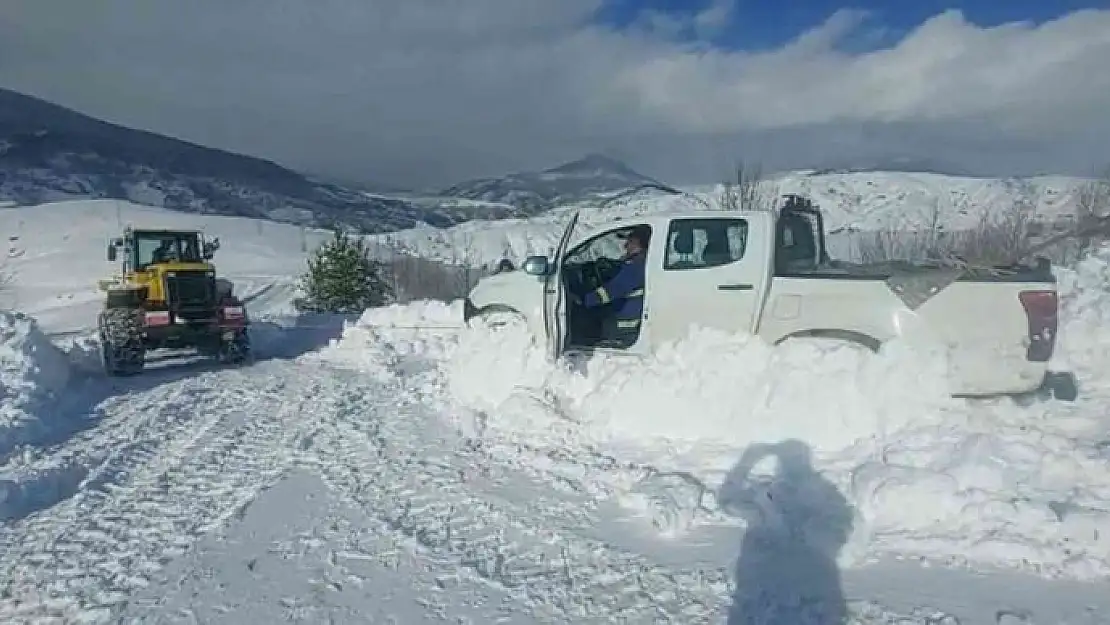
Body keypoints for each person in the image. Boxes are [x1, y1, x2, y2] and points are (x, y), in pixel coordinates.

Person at [577, 225, 649, 347]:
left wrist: (584, 300)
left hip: (626, 323)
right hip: (631, 314)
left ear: (641, 245)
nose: (625, 246)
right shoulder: (642, 262)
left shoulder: (636, 267)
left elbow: (611, 291)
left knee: (585, 320)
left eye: (631, 242)